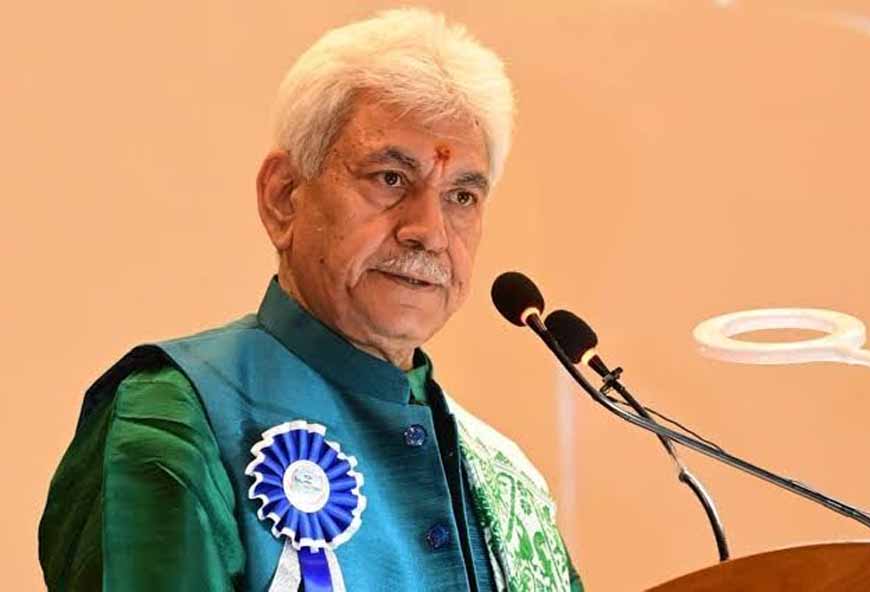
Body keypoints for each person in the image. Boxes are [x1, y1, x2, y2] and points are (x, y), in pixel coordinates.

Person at [38, 8, 583, 592]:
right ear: (284, 197)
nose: (428, 230)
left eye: (462, 196)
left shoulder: (505, 478)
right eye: (390, 178)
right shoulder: (177, 417)